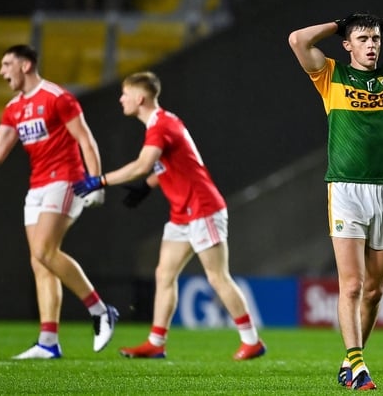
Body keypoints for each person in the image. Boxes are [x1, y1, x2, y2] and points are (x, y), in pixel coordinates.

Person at [288, 12, 383, 390]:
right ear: (347, 45)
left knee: (375, 291)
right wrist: (339, 23)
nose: (372, 45)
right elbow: (297, 40)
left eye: (375, 39)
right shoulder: (331, 76)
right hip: (345, 189)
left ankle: (350, 361)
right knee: (353, 286)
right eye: (362, 39)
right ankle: (358, 366)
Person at [0, 44, 118, 359]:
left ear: (25, 65)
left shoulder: (58, 98)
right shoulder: (13, 108)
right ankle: (48, 342)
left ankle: (101, 311)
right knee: (40, 262)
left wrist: (97, 183)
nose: (1, 71)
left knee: (44, 251)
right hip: (36, 187)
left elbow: (86, 140)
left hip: (66, 179)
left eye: (7, 63)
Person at [72, 71, 265, 361]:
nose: (121, 99)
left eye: (125, 94)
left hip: (202, 209)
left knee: (216, 276)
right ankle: (156, 342)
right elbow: (174, 165)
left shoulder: (160, 125)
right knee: (164, 274)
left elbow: (142, 165)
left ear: (140, 98)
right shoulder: (165, 122)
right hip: (182, 213)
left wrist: (99, 181)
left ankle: (251, 341)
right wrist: (147, 186)